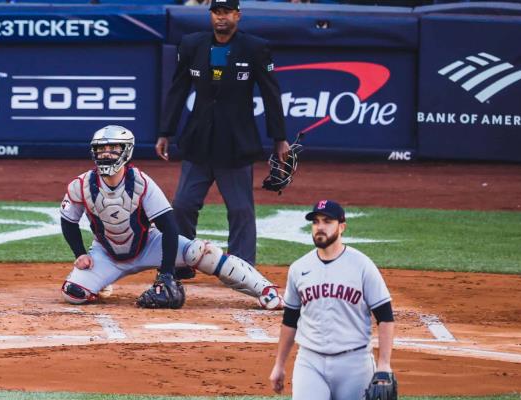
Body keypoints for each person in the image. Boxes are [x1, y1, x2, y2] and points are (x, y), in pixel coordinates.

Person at [58, 125, 284, 310]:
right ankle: (102, 283)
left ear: (126, 151)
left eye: (113, 148)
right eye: (102, 149)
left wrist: (166, 273)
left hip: (149, 245)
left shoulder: (141, 182)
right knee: (74, 294)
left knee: (200, 252)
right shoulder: (81, 185)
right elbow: (68, 220)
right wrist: (80, 253)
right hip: (106, 253)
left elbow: (169, 226)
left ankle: (265, 289)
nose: (106, 154)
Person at [158, 0, 289, 279]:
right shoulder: (192, 44)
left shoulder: (255, 47)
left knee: (241, 210)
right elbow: (178, 90)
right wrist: (165, 132)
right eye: (217, 12)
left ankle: (242, 269)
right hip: (199, 140)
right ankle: (182, 262)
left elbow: (271, 93)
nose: (222, 17)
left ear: (237, 16)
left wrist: (279, 138)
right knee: (182, 204)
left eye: (227, 12)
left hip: (236, 142)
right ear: (211, 16)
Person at [269, 200, 396, 399]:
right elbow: (290, 320)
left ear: (342, 226)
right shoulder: (299, 268)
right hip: (310, 362)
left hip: (354, 363)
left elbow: (385, 316)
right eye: (316, 222)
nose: (320, 227)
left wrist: (384, 365)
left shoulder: (362, 265)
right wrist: (279, 364)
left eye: (327, 221)